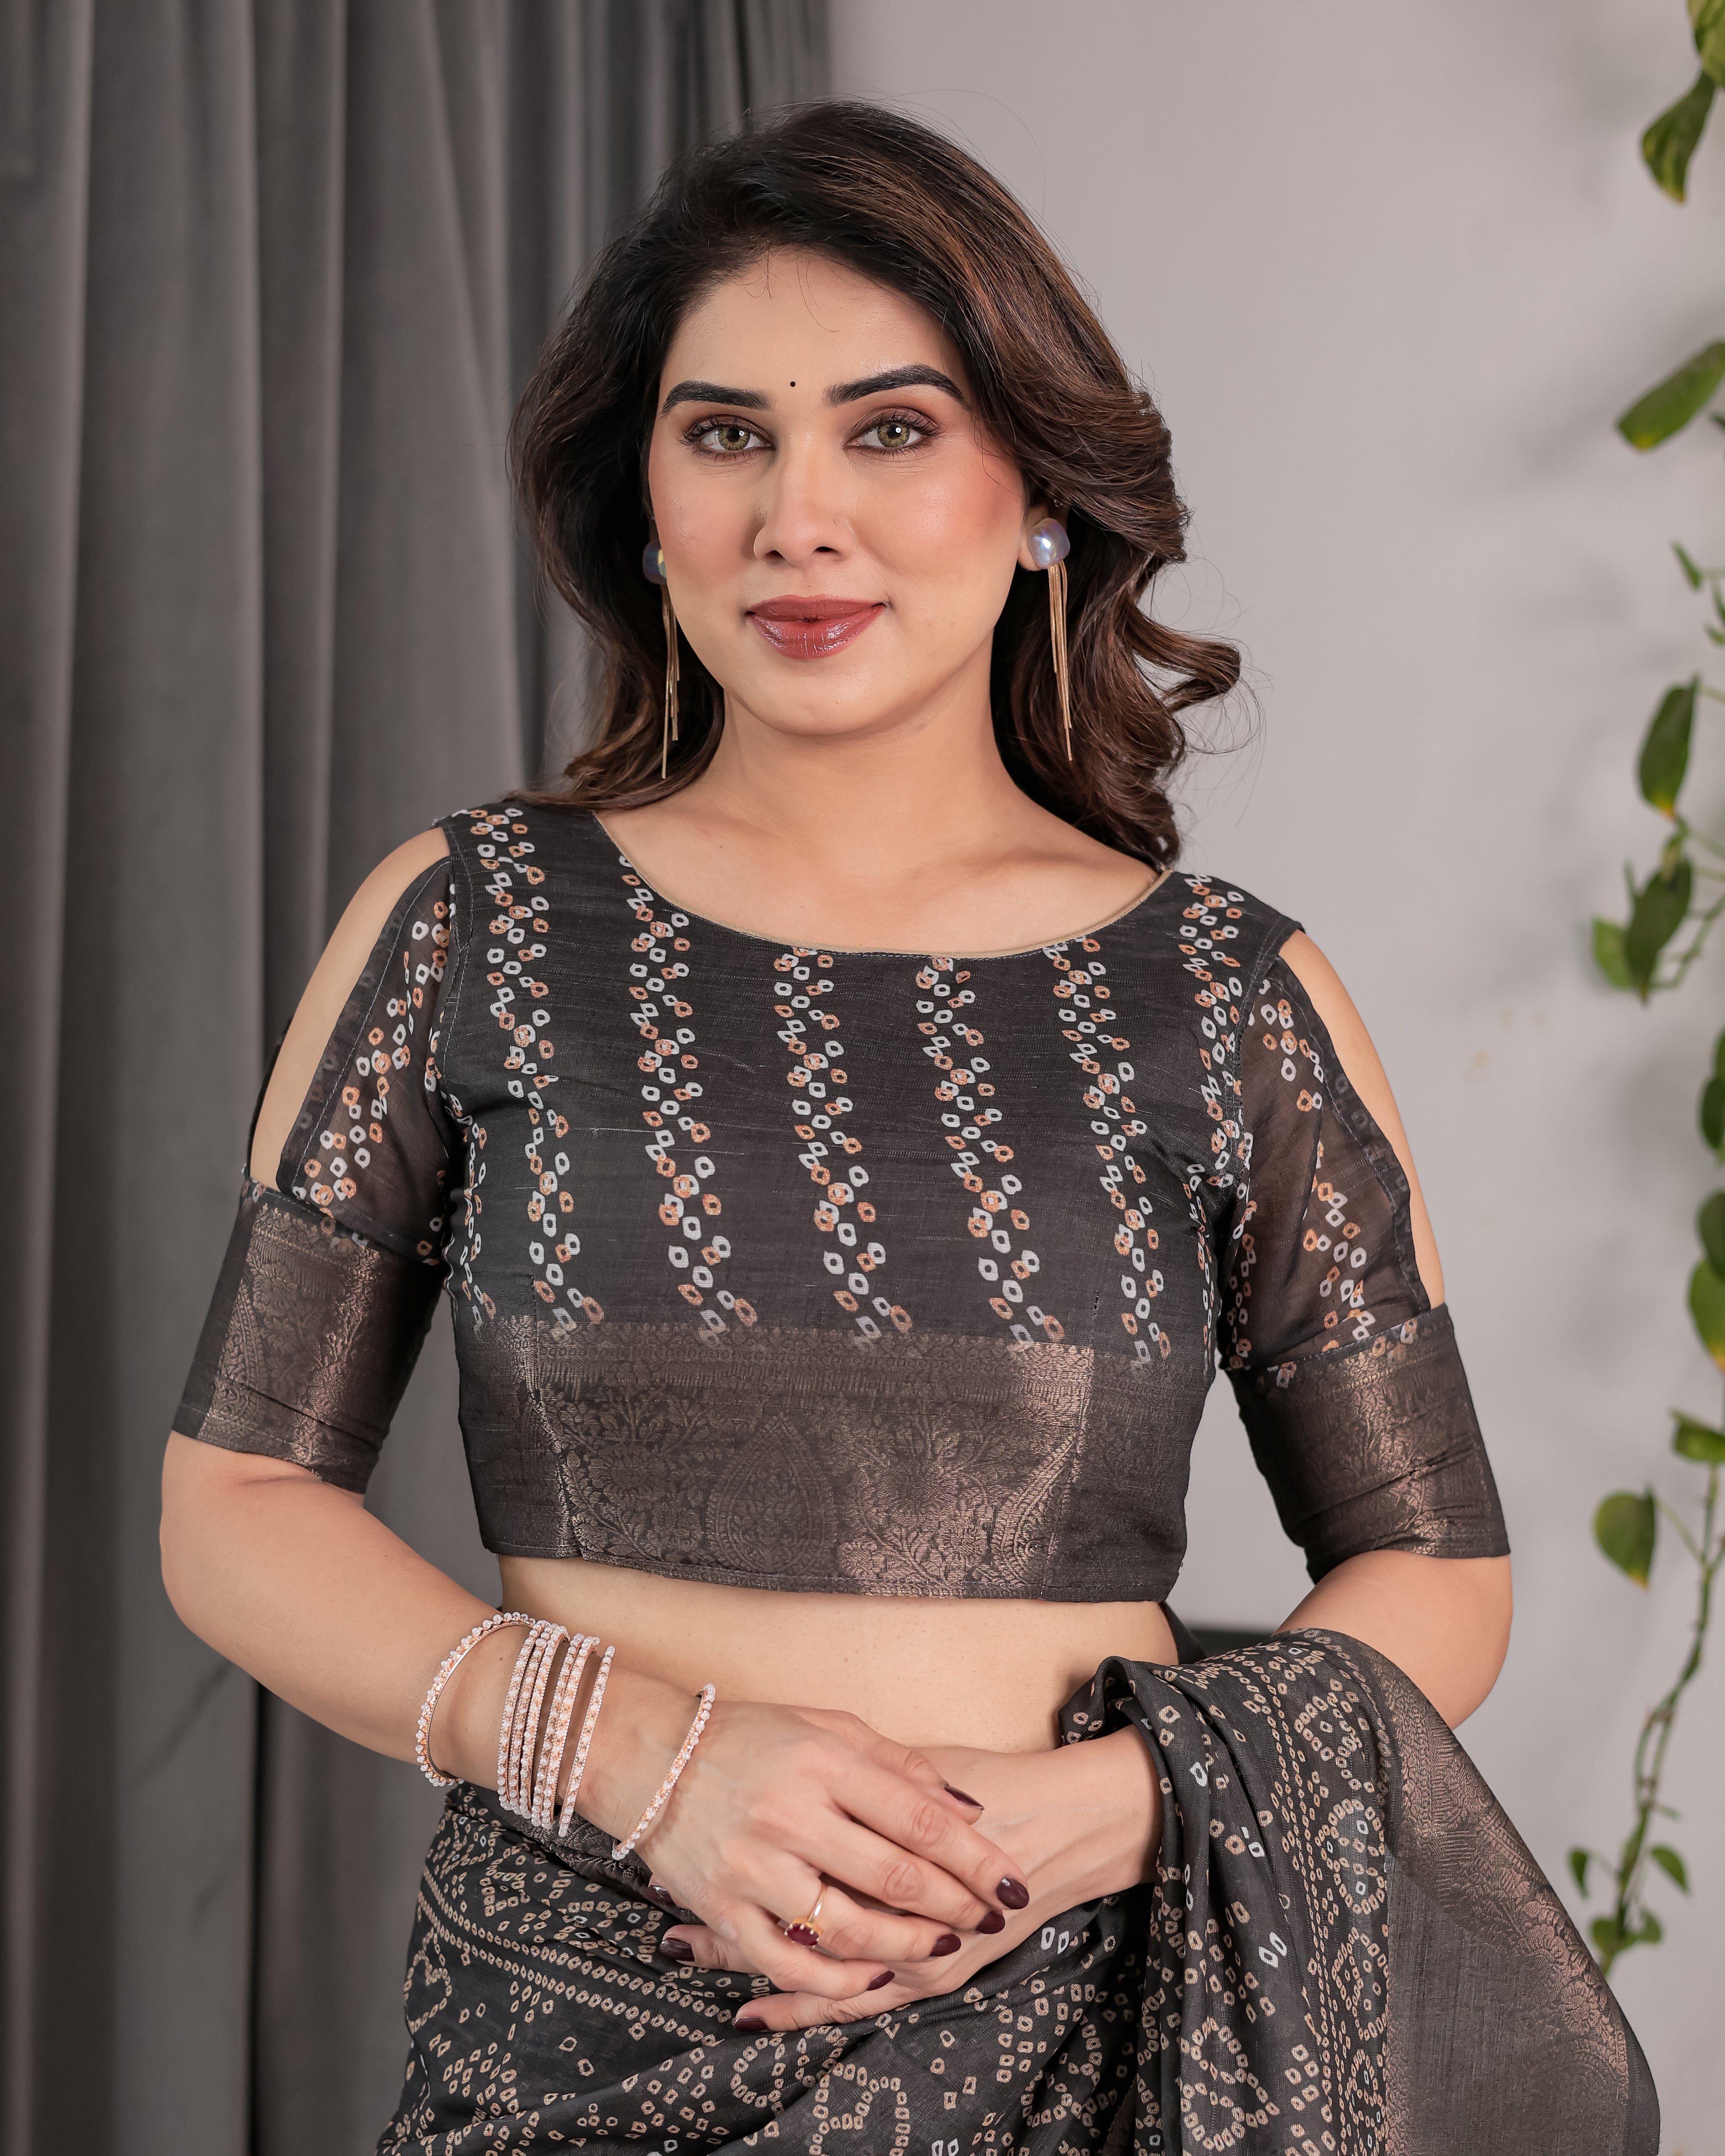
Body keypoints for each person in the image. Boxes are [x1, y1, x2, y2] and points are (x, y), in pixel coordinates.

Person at [160, 102, 1656, 2153]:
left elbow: (1430, 1563)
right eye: (724, 434)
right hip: (582, 2026)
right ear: (642, 500)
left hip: (1089, 2025)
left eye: (889, 430)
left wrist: (1089, 1817)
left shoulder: (1225, 996)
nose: (800, 517)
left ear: (1036, 491)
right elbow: (236, 1501)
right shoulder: (469, 926)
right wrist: (650, 1757)